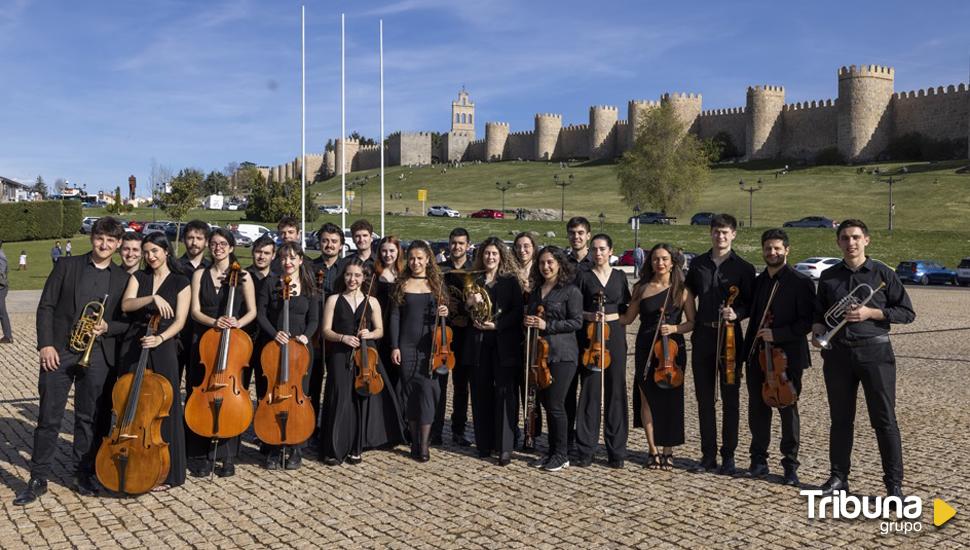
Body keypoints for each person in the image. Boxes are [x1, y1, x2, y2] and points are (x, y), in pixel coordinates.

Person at [14, 217, 129, 506]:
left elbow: (126, 322)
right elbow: (46, 307)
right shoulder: (66, 266)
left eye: (111, 241)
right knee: (49, 418)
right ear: (93, 238)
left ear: (118, 245)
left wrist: (107, 327)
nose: (104, 244)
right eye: (100, 238)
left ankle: (82, 474)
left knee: (88, 419)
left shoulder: (123, 278)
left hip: (98, 356)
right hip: (61, 351)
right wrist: (46, 345)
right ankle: (38, 478)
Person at [811, 219, 915, 498]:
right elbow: (819, 314)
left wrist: (872, 313)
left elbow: (907, 312)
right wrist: (818, 328)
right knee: (840, 419)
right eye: (845, 238)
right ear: (838, 243)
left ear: (866, 240)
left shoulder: (882, 273)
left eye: (855, 237)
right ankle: (838, 478)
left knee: (884, 420)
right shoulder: (830, 276)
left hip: (875, 353)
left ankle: (893, 486)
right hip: (838, 355)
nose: (851, 242)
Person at [119, 232, 192, 490]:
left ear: (166, 252)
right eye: (146, 252)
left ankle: (167, 471)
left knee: (165, 407)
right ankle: (134, 461)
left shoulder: (181, 281)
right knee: (134, 404)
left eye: (155, 251)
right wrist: (151, 298)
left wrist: (160, 339)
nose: (150, 256)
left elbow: (181, 321)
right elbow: (126, 305)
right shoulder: (139, 277)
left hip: (163, 346)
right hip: (135, 344)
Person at [742, 228, 815, 486]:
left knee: (787, 408)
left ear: (787, 250)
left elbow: (807, 321)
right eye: (768, 248)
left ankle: (790, 465)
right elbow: (752, 316)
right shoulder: (759, 281)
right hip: (758, 354)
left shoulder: (800, 282)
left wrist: (779, 333)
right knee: (757, 408)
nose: (772, 253)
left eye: (776, 248)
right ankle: (758, 460)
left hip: (788, 356)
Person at [685, 213, 755, 475]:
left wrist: (739, 313)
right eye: (716, 231)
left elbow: (751, 303)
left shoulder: (744, 268)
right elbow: (687, 293)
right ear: (710, 233)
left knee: (730, 398)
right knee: (704, 399)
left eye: (725, 232)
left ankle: (729, 455)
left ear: (733, 234)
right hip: (703, 336)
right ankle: (707, 455)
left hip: (730, 339)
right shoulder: (698, 265)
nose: (720, 236)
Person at [186, 228, 258, 477]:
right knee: (201, 398)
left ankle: (227, 456)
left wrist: (238, 322)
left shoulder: (243, 275)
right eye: (214, 244)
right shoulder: (200, 274)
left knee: (229, 401)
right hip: (203, 341)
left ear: (231, 247)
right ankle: (201, 455)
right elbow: (194, 311)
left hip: (232, 343)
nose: (218, 247)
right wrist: (213, 322)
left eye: (223, 243)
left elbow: (252, 312)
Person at [319, 258, 405, 464]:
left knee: (360, 399)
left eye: (357, 275)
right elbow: (325, 331)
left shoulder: (372, 301)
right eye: (349, 274)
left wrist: (370, 334)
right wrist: (342, 337)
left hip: (366, 354)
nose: (352, 279)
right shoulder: (334, 299)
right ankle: (334, 447)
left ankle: (356, 447)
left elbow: (380, 331)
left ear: (364, 277)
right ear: (344, 276)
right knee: (338, 397)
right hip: (341, 354)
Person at [620, 244, 695, 471]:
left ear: (672, 262)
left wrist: (673, 329)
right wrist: (602, 314)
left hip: (671, 349)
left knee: (671, 401)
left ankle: (668, 450)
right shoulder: (642, 288)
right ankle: (652, 450)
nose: (659, 263)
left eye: (664, 259)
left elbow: (692, 322)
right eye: (655, 259)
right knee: (647, 399)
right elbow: (627, 319)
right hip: (645, 346)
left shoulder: (682, 290)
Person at [256, 242, 320, 469]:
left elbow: (314, 319)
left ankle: (294, 447)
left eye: (292, 258)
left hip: (300, 351)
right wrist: (275, 334)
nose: (288, 262)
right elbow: (261, 314)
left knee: (297, 397)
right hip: (274, 347)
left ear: (301, 260)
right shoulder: (269, 284)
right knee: (272, 395)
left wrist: (306, 336)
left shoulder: (310, 286)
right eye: (283, 258)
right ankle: (273, 445)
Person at [464, 237, 523, 466]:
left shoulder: (509, 281)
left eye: (494, 254)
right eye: (487, 253)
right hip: (478, 343)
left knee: (505, 395)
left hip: (503, 343)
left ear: (501, 257)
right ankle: (484, 444)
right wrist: (470, 302)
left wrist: (497, 325)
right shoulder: (475, 279)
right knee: (480, 394)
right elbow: (466, 310)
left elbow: (517, 312)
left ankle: (504, 447)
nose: (490, 257)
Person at [389, 241, 449, 462]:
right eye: (412, 258)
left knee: (428, 393)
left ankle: (424, 444)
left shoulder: (437, 283)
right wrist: (395, 346)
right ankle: (414, 441)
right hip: (407, 345)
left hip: (430, 347)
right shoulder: (401, 283)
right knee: (411, 393)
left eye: (420, 258)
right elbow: (395, 317)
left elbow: (446, 312)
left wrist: (445, 311)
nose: (415, 262)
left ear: (427, 260)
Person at [574, 234, 631, 468]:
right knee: (590, 390)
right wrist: (590, 316)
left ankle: (616, 450)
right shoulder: (583, 276)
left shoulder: (619, 277)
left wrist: (614, 319)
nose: (598, 253)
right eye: (594, 249)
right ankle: (586, 448)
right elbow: (575, 309)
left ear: (611, 251)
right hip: (591, 337)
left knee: (616, 390)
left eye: (602, 249)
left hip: (615, 334)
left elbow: (626, 308)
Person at [524, 246, 582, 472]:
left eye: (550, 262)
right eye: (542, 263)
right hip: (541, 354)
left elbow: (576, 322)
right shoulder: (538, 291)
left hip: (563, 355)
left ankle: (562, 454)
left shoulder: (571, 291)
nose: (545, 267)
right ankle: (551, 451)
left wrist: (548, 325)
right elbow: (532, 315)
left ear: (559, 264)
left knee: (556, 404)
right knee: (548, 404)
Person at [436, 227, 473, 447]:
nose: (457, 247)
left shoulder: (474, 269)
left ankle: (458, 429)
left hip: (466, 333)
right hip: (442, 333)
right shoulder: (440, 270)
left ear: (468, 245)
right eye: (453, 243)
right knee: (438, 384)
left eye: (461, 243)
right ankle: (436, 429)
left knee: (461, 385)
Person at [563, 216, 592, 451]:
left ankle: (586, 439)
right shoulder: (564, 263)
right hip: (570, 335)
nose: (576, 237)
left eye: (580, 233)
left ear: (588, 236)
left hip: (592, 335)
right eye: (572, 233)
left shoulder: (597, 261)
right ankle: (567, 438)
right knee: (568, 390)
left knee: (590, 390)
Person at [375, 236, 405, 390]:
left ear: (398, 252)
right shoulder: (374, 273)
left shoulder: (404, 274)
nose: (388, 254)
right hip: (379, 325)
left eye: (392, 251)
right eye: (384, 251)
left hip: (399, 327)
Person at [0, 240, 11, 343]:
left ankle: (8, 336)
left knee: (2, 311)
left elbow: (2, 273)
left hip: (1, 287)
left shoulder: (1, 256)